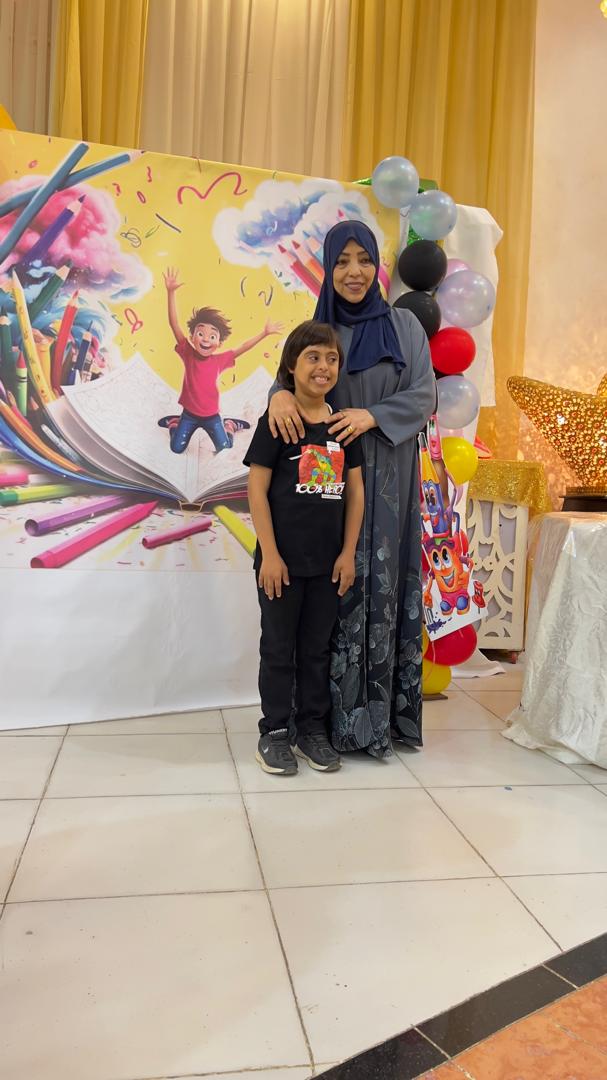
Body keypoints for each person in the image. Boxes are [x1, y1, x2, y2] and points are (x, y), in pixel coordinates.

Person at [268, 220, 436, 758]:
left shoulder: (405, 326)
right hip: (329, 483)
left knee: (382, 583)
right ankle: (320, 725)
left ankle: (378, 721)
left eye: (364, 259)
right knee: (328, 593)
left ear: (378, 266)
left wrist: (372, 415)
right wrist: (277, 396)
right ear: (327, 268)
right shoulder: (319, 329)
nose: (354, 272)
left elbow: (425, 395)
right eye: (341, 261)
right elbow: (288, 380)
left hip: (388, 479)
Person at [244, 320, 364, 775]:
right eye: (313, 357)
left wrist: (348, 553)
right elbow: (256, 490)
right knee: (278, 649)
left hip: (328, 566)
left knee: (316, 650)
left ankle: (311, 730)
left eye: (332, 359)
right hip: (281, 565)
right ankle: (274, 732)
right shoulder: (276, 423)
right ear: (291, 366)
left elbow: (356, 494)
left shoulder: (343, 427)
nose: (323, 367)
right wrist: (270, 555)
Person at [161, 266, 282, 453]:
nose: (206, 339)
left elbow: (243, 347)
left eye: (212, 336)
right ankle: (174, 423)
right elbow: (174, 323)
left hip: (211, 416)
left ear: (218, 343)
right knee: (176, 448)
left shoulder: (220, 360)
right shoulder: (187, 352)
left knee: (225, 448)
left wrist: (264, 333)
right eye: (200, 333)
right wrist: (170, 292)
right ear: (192, 337)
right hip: (189, 415)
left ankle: (229, 425)